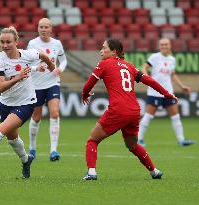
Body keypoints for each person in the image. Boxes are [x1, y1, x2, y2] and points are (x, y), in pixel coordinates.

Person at [81, 39, 178, 180]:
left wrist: (85, 95)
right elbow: (149, 80)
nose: (101, 51)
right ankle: (154, 171)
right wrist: (167, 94)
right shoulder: (129, 66)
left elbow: (88, 85)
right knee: (132, 145)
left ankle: (91, 173)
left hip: (118, 110)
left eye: (104, 48)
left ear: (114, 51)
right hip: (133, 111)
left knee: (92, 140)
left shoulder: (103, 64)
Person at [0, 26, 55, 179]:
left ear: (16, 42)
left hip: (26, 103)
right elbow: (1, 87)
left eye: (8, 42)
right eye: (2, 42)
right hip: (5, 103)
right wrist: (19, 76)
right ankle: (26, 160)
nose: (5, 45)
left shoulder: (28, 54)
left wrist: (51, 66)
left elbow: (43, 55)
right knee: (12, 139)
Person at [138, 38, 195, 147]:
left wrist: (182, 86)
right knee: (149, 115)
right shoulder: (155, 57)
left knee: (175, 116)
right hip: (155, 91)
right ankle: (139, 139)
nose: (164, 46)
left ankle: (181, 140)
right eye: (162, 44)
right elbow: (144, 67)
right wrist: (147, 78)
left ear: (170, 46)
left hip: (168, 92)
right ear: (159, 46)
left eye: (166, 44)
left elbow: (172, 74)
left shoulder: (172, 59)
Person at [27, 18, 67, 161]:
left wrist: (59, 69)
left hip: (53, 83)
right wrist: (35, 68)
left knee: (55, 113)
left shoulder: (57, 44)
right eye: (41, 27)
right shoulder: (32, 44)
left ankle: (53, 151)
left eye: (46, 27)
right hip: (36, 85)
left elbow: (64, 61)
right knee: (36, 117)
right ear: (38, 28)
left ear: (51, 29)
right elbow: (26, 62)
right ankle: (32, 149)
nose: (43, 29)